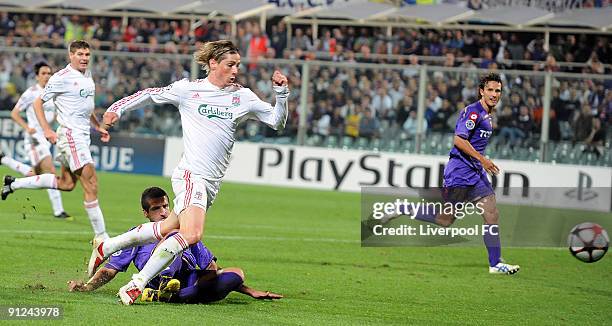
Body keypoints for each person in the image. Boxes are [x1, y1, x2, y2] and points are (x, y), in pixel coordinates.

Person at [87, 40, 289, 304]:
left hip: (211, 183)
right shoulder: (188, 90)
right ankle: (136, 284)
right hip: (192, 174)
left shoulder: (243, 96)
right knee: (192, 234)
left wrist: (282, 95)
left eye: (238, 65)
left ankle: (108, 246)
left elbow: (277, 122)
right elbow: (149, 93)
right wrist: (116, 108)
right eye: (230, 64)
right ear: (213, 64)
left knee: (168, 228)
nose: (235, 70)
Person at [371, 73, 520, 275]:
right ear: (481, 91)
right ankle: (402, 207)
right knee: (445, 221)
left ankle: (495, 264)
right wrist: (483, 159)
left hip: (475, 172)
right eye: (491, 90)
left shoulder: (488, 115)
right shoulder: (473, 113)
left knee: (492, 214)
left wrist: (480, 161)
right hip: (459, 171)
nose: (494, 94)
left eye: (498, 91)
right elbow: (459, 140)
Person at [68, 187, 282, 303]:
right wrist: (87, 287)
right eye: (156, 209)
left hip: (188, 282)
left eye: (166, 206)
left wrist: (248, 290)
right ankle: (161, 292)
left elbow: (211, 269)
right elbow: (110, 270)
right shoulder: (137, 235)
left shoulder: (187, 232)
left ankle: (167, 297)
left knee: (236, 273)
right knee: (192, 278)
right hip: (155, 281)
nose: (163, 212)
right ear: (146, 213)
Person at [2, 40, 110, 243]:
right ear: (71, 55)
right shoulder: (61, 78)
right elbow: (37, 102)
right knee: (92, 183)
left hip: (82, 135)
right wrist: (46, 130)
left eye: (87, 54)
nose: (84, 58)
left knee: (67, 184)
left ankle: (14, 184)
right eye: (80, 54)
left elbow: (87, 106)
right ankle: (102, 238)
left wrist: (97, 125)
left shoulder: (87, 75)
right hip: (71, 136)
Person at [0, 62, 70, 218]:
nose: (47, 76)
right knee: (51, 171)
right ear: (37, 76)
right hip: (34, 138)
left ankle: (8, 170)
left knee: (37, 176)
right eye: (44, 73)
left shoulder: (53, 94)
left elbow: (53, 115)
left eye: (49, 73)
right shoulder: (31, 93)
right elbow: (14, 113)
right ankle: (59, 211)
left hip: (46, 137)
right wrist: (27, 128)